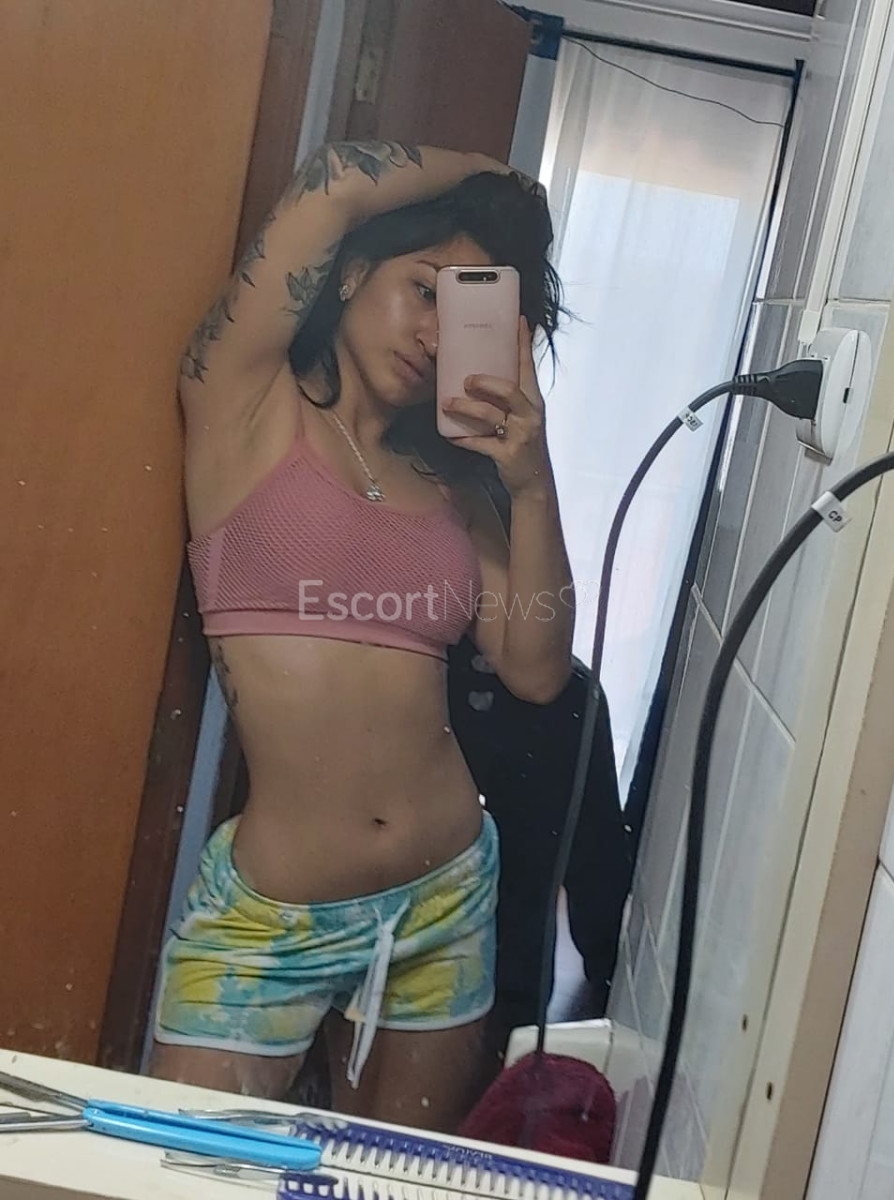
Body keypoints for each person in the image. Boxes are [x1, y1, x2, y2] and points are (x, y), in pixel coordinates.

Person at [150, 141, 575, 1132]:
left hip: (445, 897)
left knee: (393, 1184)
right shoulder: (244, 405)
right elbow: (338, 180)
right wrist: (506, 184)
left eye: (461, 316)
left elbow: (537, 670)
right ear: (348, 275)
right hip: (270, 918)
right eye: (423, 290)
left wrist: (530, 480)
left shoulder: (458, 485)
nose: (432, 335)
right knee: (179, 1167)